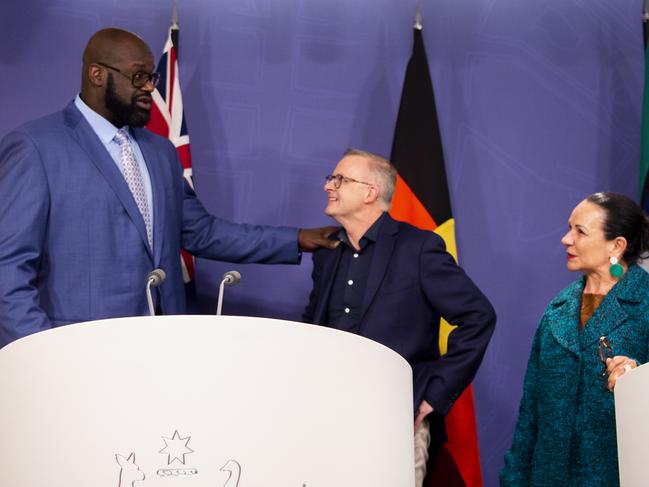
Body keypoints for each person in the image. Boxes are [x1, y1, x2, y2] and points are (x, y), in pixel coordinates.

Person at [0, 28, 337, 349]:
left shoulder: (160, 151)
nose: (149, 88)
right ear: (97, 74)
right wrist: (38, 350)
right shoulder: (35, 147)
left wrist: (296, 239)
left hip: (163, 345)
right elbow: (8, 267)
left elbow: (201, 232)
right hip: (80, 351)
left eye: (152, 77)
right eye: (138, 77)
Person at [302, 148, 496, 485]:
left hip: (397, 413)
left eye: (339, 179)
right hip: (327, 412)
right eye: (330, 179)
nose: (328, 186)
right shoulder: (327, 253)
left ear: (370, 192)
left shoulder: (418, 248)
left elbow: (478, 316)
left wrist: (435, 393)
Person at [500, 192, 649, 486]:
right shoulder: (558, 309)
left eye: (580, 232)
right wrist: (513, 479)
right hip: (549, 477)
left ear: (616, 245)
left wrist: (639, 379)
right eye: (569, 228)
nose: (566, 240)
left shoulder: (645, 303)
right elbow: (531, 411)